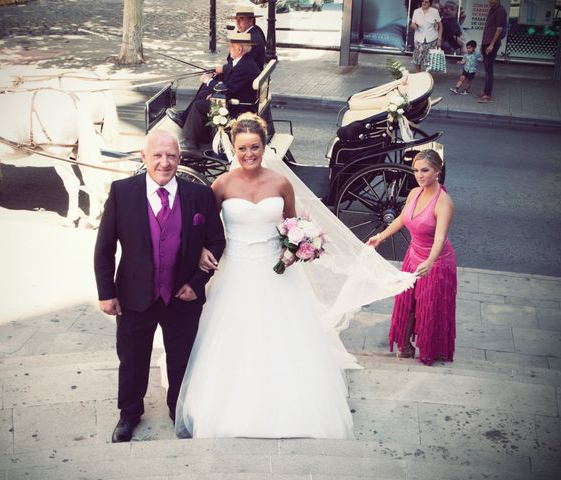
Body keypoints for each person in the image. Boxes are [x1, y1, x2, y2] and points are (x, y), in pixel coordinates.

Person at [174, 113, 360, 439]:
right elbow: (204, 226)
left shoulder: (280, 183)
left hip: (276, 273)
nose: (249, 154)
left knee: (284, 337)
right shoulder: (222, 184)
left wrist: (296, 247)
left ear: (264, 146)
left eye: (255, 147)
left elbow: (293, 224)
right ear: (233, 148)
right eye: (242, 148)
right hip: (235, 272)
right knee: (234, 339)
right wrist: (203, 249)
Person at [93, 129, 226, 442]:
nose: (164, 163)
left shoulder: (199, 195)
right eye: (157, 155)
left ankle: (177, 409)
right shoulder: (122, 192)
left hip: (183, 296)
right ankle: (129, 415)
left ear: (179, 159)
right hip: (134, 296)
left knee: (182, 358)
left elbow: (216, 240)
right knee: (132, 358)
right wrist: (106, 293)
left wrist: (197, 282)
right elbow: (104, 247)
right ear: (144, 157)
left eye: (171, 156)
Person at [367, 149, 456, 366]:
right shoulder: (415, 192)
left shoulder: (443, 202)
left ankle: (430, 350)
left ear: (437, 171)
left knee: (427, 307)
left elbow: (440, 238)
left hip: (436, 262)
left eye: (425, 170)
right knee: (406, 303)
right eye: (416, 170)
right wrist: (380, 236)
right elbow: (401, 219)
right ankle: (405, 347)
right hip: (413, 255)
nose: (419, 175)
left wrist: (430, 261)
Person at [167, 31, 260, 151]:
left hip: (234, 107)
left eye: (231, 46)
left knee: (199, 105)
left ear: (239, 50)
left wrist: (209, 82)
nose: (228, 48)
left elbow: (228, 89)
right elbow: (231, 68)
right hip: (234, 98)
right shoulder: (245, 60)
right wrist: (216, 74)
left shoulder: (244, 67)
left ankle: (190, 142)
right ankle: (185, 118)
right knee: (205, 88)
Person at [477, 0, 507, 103]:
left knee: (489, 70)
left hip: (491, 44)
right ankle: (486, 91)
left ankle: (487, 95)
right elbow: (487, 28)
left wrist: (491, 45)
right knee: (487, 69)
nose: (490, 0)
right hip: (487, 43)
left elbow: (499, 29)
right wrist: (482, 45)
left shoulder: (500, 11)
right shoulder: (492, 10)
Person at [227, 5, 266, 69]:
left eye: (241, 19)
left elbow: (239, 66)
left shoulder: (250, 39)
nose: (237, 23)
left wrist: (223, 69)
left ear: (251, 21)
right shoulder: (256, 29)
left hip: (247, 77)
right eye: (236, 19)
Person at [410, 0, 442, 73]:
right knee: (417, 59)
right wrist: (413, 26)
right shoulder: (416, 11)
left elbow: (440, 26)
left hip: (431, 38)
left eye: (426, 2)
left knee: (429, 60)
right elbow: (413, 24)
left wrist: (439, 39)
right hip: (419, 38)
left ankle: (426, 76)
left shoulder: (434, 12)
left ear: (430, 3)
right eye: (423, 1)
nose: (424, 3)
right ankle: (418, 75)